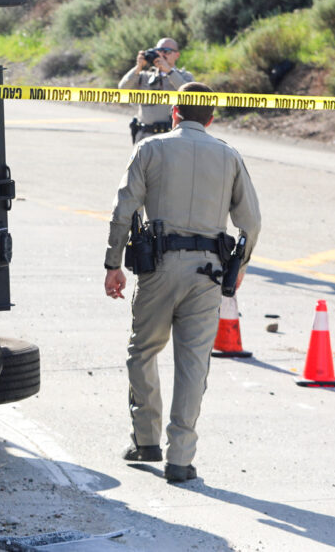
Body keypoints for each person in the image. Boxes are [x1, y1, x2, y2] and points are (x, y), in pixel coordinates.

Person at [102, 82, 261, 483]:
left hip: (157, 268)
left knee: (143, 352)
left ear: (174, 112)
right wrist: (238, 266)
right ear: (211, 118)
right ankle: (180, 460)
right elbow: (251, 222)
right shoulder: (229, 156)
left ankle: (146, 441)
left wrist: (112, 263)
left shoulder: (150, 149)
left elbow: (123, 210)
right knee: (193, 365)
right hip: (208, 273)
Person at [118, 37, 192, 143]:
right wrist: (138, 67)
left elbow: (190, 94)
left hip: (171, 137)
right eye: (158, 51)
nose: (162, 55)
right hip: (144, 137)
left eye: (166, 51)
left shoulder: (185, 76)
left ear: (177, 55)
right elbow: (123, 87)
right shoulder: (144, 77)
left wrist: (170, 72)